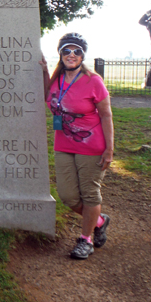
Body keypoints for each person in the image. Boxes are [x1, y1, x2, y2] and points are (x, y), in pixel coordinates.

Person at [39, 33, 114, 259]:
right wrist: (44, 71)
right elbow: (46, 96)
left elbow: (106, 115)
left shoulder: (93, 81)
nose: (71, 55)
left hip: (92, 147)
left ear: (83, 56)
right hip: (63, 145)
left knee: (90, 194)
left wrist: (109, 149)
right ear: (60, 54)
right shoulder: (56, 80)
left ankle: (86, 240)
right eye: (66, 51)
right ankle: (99, 221)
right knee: (68, 196)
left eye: (77, 51)